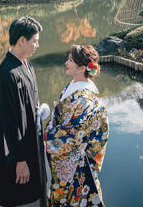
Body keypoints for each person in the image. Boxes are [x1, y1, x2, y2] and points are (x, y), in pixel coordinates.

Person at [0, 17, 45, 207]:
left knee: (34, 187)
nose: (37, 44)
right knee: (17, 194)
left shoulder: (27, 65)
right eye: (34, 40)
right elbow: (8, 121)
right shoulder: (8, 74)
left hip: (29, 142)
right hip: (17, 152)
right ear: (22, 40)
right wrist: (19, 159)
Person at [44, 45, 109, 207]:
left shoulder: (84, 97)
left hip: (75, 161)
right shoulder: (74, 85)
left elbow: (75, 134)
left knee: (74, 198)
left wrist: (46, 136)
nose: (66, 62)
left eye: (70, 60)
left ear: (81, 68)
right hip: (68, 157)